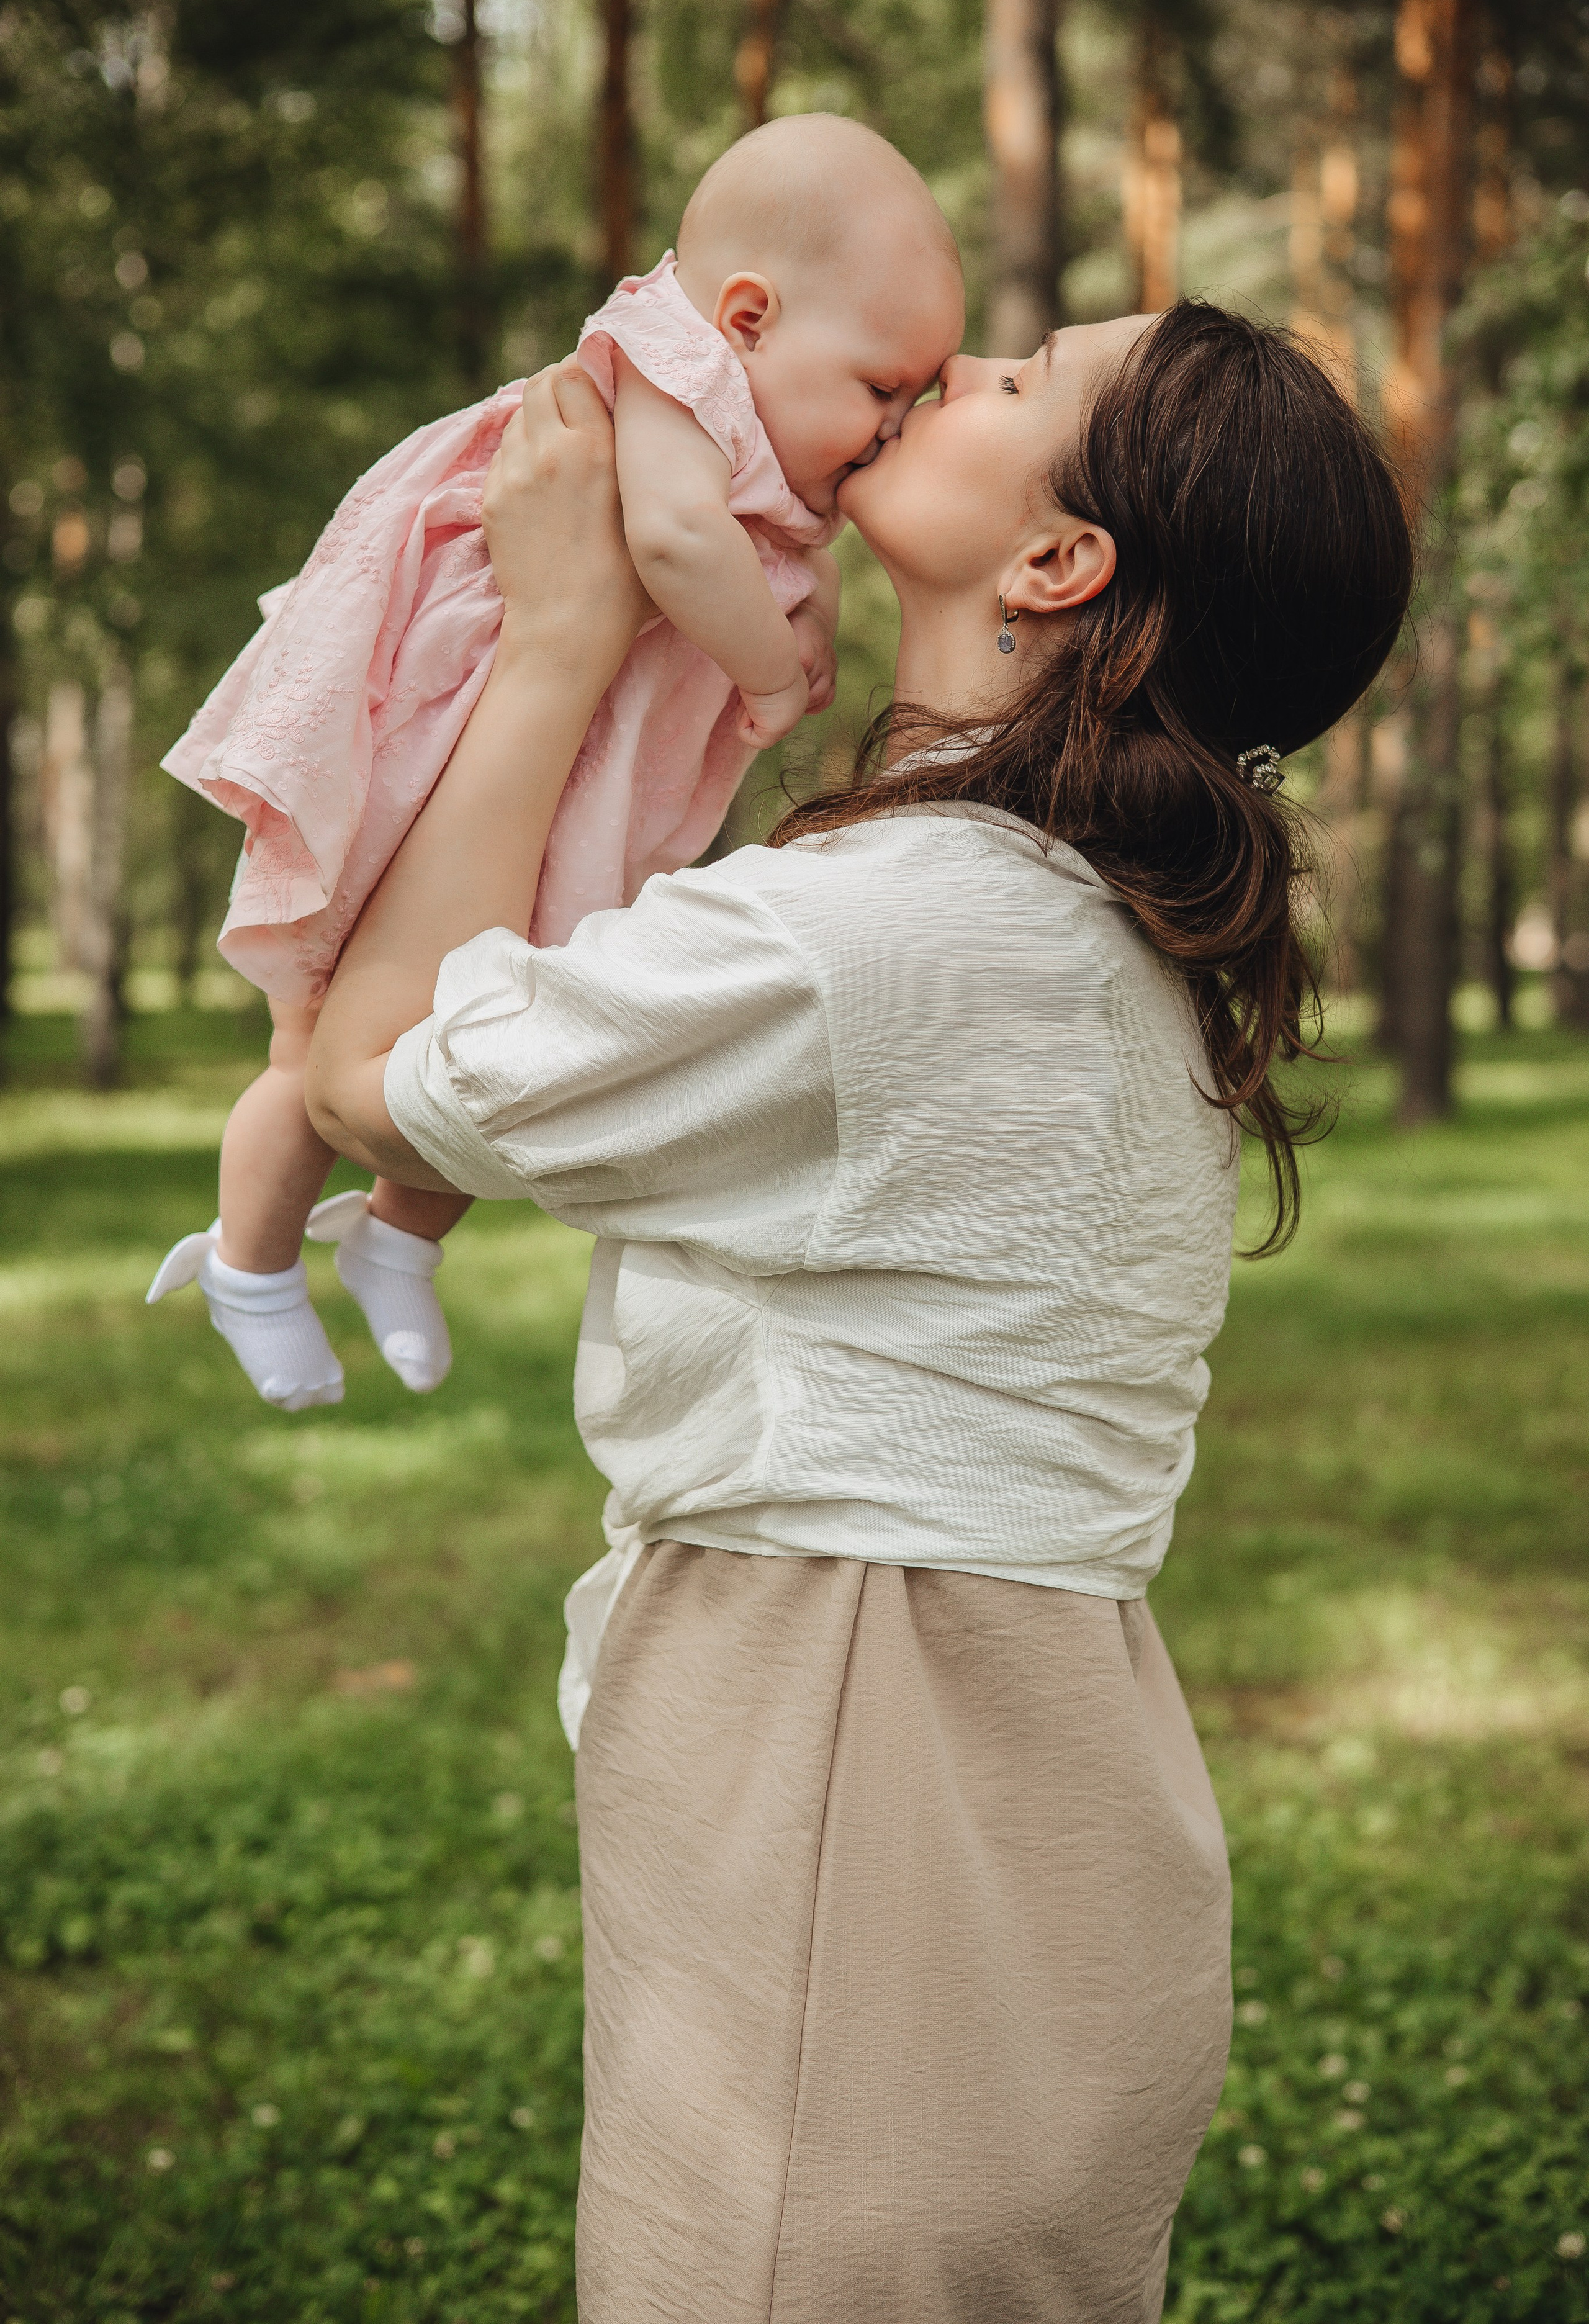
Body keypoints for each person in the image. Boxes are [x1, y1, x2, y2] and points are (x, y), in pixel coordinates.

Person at [305, 300, 1412, 2320]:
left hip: (857, 1763)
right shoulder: (1076, 924)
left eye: (1016, 379)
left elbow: (368, 1070)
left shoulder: (898, 932)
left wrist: (558, 642)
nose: (948, 367)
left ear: (1060, 563)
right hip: (1022, 1781)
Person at [146, 115, 963, 1414]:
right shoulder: (671, 371)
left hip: (569, 740)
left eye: (917, 397)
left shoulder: (765, 410)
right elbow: (684, 547)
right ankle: (250, 1268)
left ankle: (397, 1237)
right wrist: (767, 669)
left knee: (493, 996)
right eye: (880, 387)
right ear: (747, 316)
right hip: (441, 704)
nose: (895, 423)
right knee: (313, 1040)